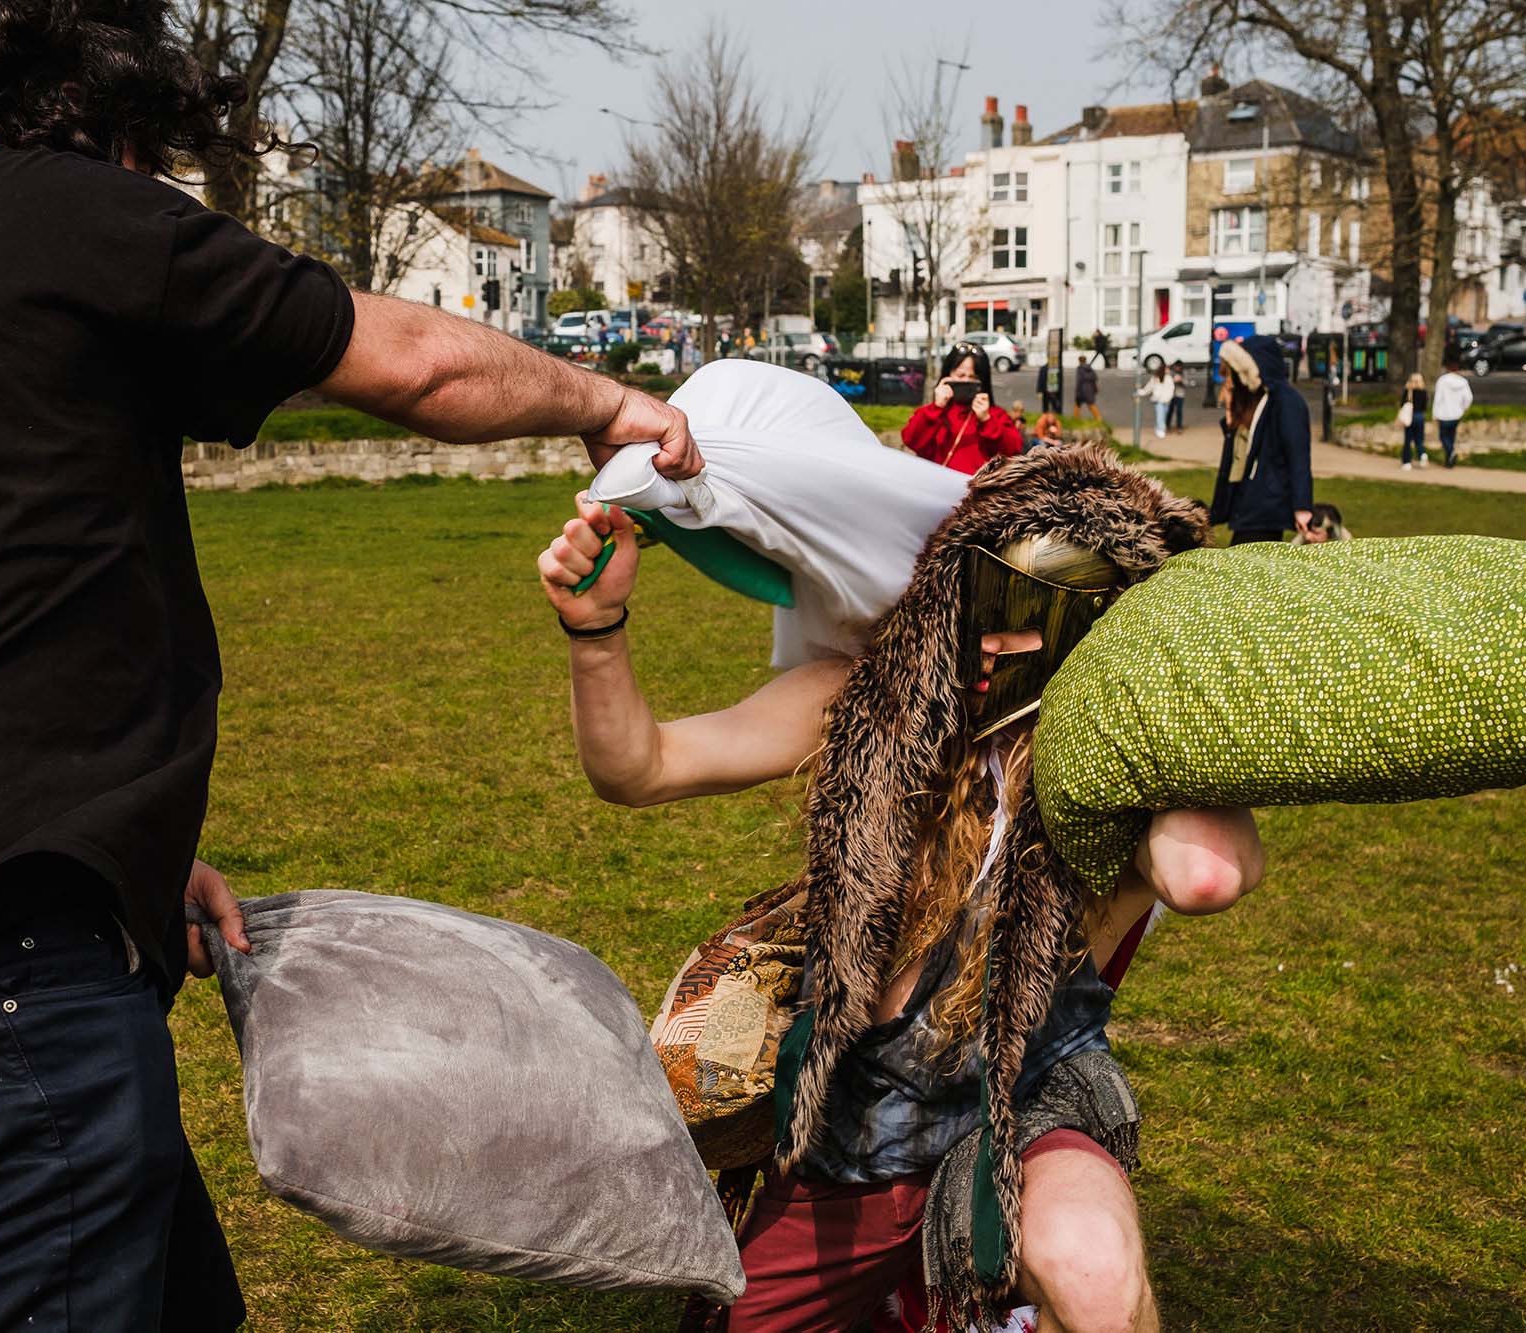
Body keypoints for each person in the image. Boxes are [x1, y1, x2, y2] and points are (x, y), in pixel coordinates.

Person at [0, 2, 703, 1327]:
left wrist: (111, 854)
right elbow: (417, 361)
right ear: (89, 112)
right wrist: (608, 400)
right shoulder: (50, 206)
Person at [536, 467, 1264, 1333]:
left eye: (1032, 615)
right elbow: (640, 767)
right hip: (855, 1130)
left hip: (1020, 1105)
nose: (995, 636)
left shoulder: (1115, 777)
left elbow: (1205, 874)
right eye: (982, 596)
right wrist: (597, 630)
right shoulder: (865, 702)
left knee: (1094, 1269)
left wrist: (1163, 706)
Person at [1209, 336, 1313, 545]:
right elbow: (1238, 453)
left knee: (1243, 568)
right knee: (1246, 568)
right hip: (1251, 503)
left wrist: (1302, 507)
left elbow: (1298, 457)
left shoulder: (1287, 401)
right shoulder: (1258, 400)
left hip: (1267, 505)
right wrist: (1230, 413)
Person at [901, 344, 1025, 473]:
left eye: (973, 377)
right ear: (947, 375)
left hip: (978, 490)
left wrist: (987, 420)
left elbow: (1012, 452)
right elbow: (911, 440)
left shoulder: (996, 415)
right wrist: (936, 408)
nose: (966, 381)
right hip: (935, 488)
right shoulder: (932, 412)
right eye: (960, 375)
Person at [1433, 356, 1473, 469]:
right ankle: (1449, 459)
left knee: (1443, 436)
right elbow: (1468, 398)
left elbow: (1438, 398)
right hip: (1456, 414)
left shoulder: (1442, 381)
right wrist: (1464, 408)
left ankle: (1450, 452)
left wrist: (1434, 413)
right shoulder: (1463, 382)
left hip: (1444, 414)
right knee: (1451, 436)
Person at [1134, 363, 1175, 439]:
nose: (1168, 370)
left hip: (1167, 401)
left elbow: (1171, 389)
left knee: (1163, 415)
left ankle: (1158, 428)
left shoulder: (1169, 378)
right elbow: (1148, 388)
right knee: (1160, 414)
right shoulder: (1155, 378)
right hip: (1158, 400)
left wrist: (1170, 397)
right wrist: (1140, 392)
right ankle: (1161, 430)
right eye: (1167, 369)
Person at [1398, 371, 1430, 469]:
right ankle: (1422, 455)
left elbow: (1402, 405)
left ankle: (1407, 462)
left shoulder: (1408, 391)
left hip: (1410, 417)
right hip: (1420, 416)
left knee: (1408, 440)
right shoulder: (1424, 392)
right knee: (1419, 439)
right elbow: (1425, 407)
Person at [1073, 354, 1102, 422]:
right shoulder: (1090, 369)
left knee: (1077, 405)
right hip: (1090, 391)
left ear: (1079, 360)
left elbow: (1079, 381)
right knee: (1091, 405)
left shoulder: (1079, 368)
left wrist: (1077, 391)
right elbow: (1095, 379)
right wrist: (1095, 389)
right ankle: (1099, 418)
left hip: (1081, 391)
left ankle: (1075, 420)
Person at [1167, 364, 1187, 431]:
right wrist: (1173, 381)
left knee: (1179, 411)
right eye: (1176, 366)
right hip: (1171, 395)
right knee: (1170, 411)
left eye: (1179, 366)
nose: (1177, 368)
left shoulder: (1183, 374)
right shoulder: (1171, 374)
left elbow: (1186, 383)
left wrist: (1181, 380)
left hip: (1180, 395)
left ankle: (1179, 426)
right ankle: (1167, 425)